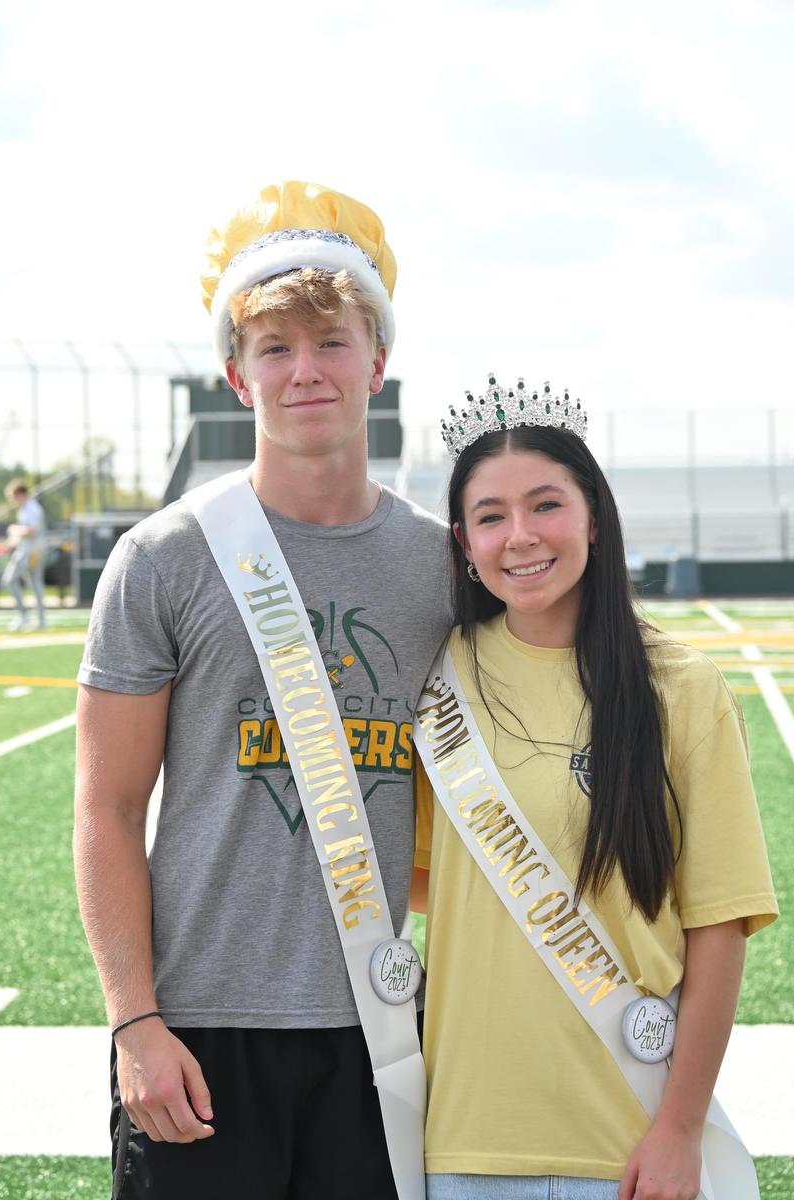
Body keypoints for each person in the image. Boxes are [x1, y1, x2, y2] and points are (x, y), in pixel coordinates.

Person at [74, 181, 450, 1200]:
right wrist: (134, 1023)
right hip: (197, 1032)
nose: (304, 370)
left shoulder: (443, 568)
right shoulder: (164, 557)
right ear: (235, 376)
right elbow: (106, 809)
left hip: (375, 1029)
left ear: (378, 357)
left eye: (330, 341)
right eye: (273, 347)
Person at [412, 377, 777, 1200]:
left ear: (595, 518)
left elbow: (720, 923)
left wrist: (681, 1129)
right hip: (466, 1141)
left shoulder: (682, 688)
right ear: (465, 544)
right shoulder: (439, 680)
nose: (521, 536)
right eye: (490, 516)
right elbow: (423, 877)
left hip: (631, 1143)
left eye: (547, 505)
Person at [2, 479, 47, 630]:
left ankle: (27, 616)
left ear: (20, 494)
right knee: (33, 584)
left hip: (32, 552)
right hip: (27, 551)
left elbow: (31, 531)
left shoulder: (33, 508)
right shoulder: (24, 509)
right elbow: (23, 535)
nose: (13, 500)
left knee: (11, 580)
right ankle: (37, 619)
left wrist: (14, 529)